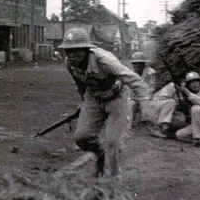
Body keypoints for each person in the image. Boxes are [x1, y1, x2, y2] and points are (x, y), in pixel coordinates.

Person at [58, 28, 150, 178]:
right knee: (81, 138)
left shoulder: (106, 61)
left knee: (113, 142)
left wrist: (145, 106)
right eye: (68, 51)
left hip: (116, 97)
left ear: (86, 49)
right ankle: (100, 154)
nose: (71, 55)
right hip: (94, 97)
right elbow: (80, 85)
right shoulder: (69, 64)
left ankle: (113, 180)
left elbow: (136, 81)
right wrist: (82, 103)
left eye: (76, 51)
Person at [127, 51, 156, 126]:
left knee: (145, 103)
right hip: (135, 97)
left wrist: (145, 96)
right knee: (130, 104)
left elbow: (152, 87)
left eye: (139, 63)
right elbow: (128, 88)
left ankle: (149, 123)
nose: (137, 65)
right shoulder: (130, 73)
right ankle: (129, 124)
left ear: (143, 64)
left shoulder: (150, 72)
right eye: (135, 63)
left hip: (147, 96)